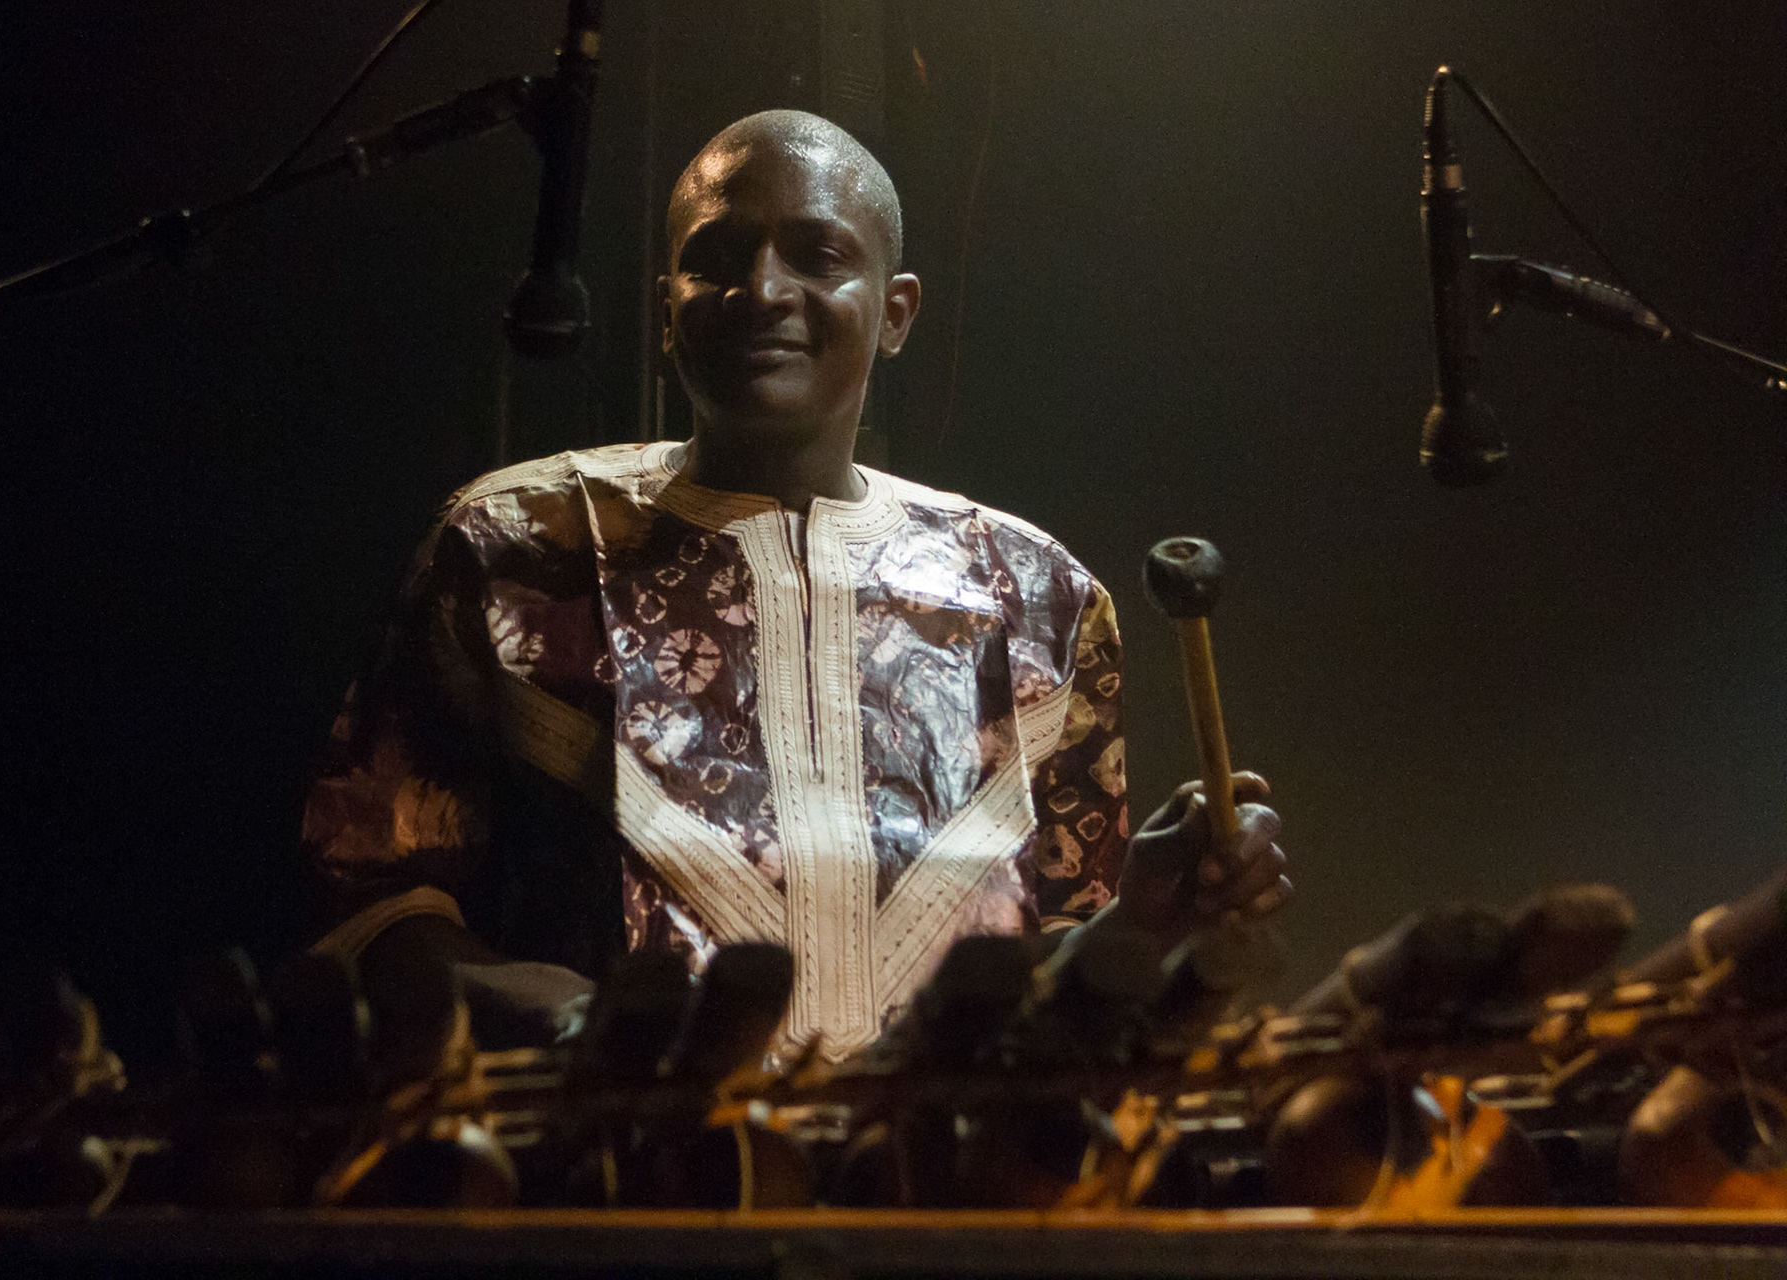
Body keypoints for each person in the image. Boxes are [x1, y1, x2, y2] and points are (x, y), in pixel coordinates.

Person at [299, 110, 1290, 1061]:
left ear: (896, 312)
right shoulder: (513, 544)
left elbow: (1053, 986)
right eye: (718, 258)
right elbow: (377, 907)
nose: (761, 288)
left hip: (936, 1189)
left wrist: (1146, 918)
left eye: (816, 256)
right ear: (666, 308)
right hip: (620, 1173)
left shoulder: (1039, 597)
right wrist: (580, 1022)